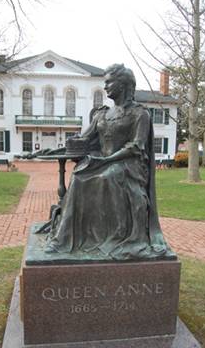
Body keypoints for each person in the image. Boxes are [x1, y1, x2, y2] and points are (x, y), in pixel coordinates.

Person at [44, 63, 169, 260]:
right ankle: (64, 239)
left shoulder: (139, 114)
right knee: (78, 176)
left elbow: (136, 146)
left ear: (123, 84)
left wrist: (107, 160)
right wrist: (53, 149)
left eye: (109, 82)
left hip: (128, 165)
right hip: (103, 160)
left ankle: (115, 236)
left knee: (107, 176)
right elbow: (83, 141)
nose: (106, 86)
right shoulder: (102, 114)